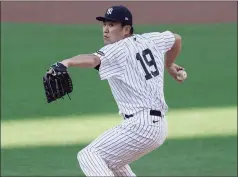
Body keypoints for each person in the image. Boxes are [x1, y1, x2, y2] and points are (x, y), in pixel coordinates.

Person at [59, 5, 185, 177]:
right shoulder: (151, 40)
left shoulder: (115, 50)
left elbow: (93, 59)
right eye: (104, 24)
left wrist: (67, 62)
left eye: (112, 25)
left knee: (89, 155)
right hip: (156, 126)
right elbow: (176, 39)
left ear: (126, 29)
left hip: (141, 125)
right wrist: (169, 64)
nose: (105, 29)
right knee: (114, 165)